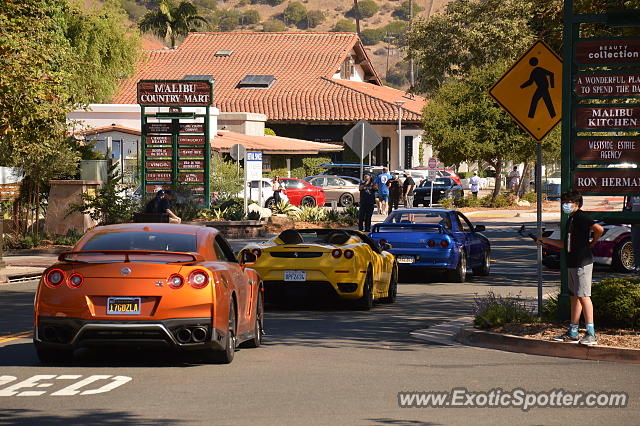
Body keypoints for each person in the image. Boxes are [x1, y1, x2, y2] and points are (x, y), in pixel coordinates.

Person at [534, 190, 603, 345]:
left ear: (576, 204)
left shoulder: (581, 217)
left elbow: (599, 229)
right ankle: (573, 331)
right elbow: (564, 244)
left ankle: (591, 333)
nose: (564, 205)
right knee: (574, 296)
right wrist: (544, 240)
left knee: (584, 296)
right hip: (572, 262)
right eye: (563, 202)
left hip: (582, 262)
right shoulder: (570, 219)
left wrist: (592, 243)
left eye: (568, 202)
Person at [623, 196, 640, 273]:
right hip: (635, 224)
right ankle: (637, 266)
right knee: (636, 246)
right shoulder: (631, 194)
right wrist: (627, 208)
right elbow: (628, 206)